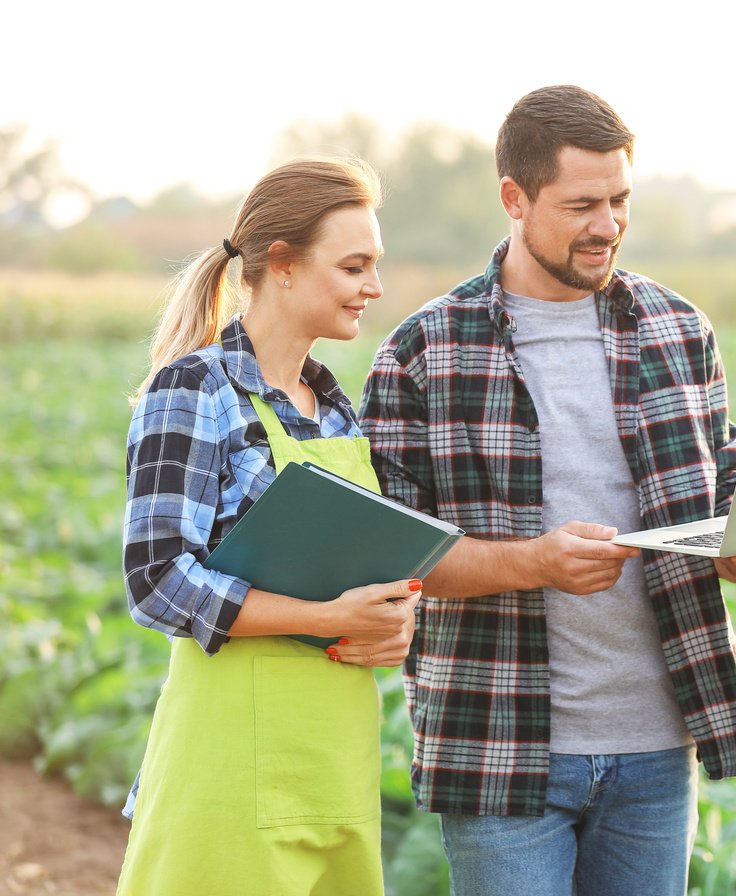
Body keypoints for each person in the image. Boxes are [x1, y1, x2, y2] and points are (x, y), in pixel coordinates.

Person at [359, 85, 736, 895]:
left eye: (620, 200)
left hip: (657, 746)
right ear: (514, 198)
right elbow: (389, 557)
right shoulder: (422, 353)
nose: (608, 225)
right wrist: (533, 563)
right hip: (500, 749)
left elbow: (719, 490)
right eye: (582, 204)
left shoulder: (680, 329)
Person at [117, 157, 421, 896]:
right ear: (281, 266)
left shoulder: (335, 408)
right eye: (353, 266)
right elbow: (157, 580)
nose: (373, 288)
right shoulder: (194, 388)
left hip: (334, 770)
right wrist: (323, 615)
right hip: (229, 774)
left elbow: (356, 574)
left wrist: (391, 620)